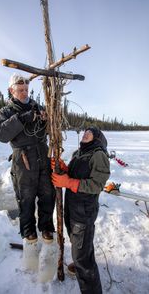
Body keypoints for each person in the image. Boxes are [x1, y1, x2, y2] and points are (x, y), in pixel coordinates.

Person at [0, 73, 55, 244]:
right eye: (20, 90)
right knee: (26, 198)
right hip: (23, 159)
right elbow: (0, 133)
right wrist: (20, 118)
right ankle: (29, 234)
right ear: (12, 91)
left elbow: (49, 129)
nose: (25, 93)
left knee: (48, 194)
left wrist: (45, 119)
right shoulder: (6, 111)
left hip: (43, 155)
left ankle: (47, 228)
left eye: (26, 89)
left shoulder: (37, 106)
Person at [51, 126, 110, 294]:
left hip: (84, 212)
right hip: (73, 208)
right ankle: (81, 264)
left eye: (89, 133)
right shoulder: (79, 153)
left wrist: (68, 183)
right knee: (80, 245)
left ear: (97, 138)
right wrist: (64, 168)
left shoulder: (99, 155)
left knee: (82, 258)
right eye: (84, 132)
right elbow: (76, 174)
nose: (85, 134)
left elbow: (97, 185)